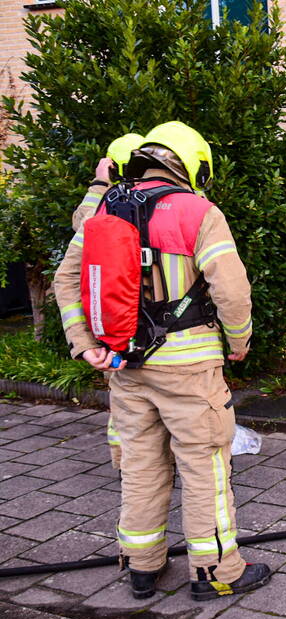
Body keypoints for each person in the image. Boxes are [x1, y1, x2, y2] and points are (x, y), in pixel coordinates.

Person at [53, 121, 269, 602]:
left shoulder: (106, 207)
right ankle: (216, 572)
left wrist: (84, 342)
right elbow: (232, 290)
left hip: (125, 365)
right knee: (205, 468)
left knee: (141, 467)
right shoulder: (198, 211)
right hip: (190, 371)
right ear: (193, 165)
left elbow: (65, 280)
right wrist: (239, 340)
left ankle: (142, 566)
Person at [65, 132, 145, 471]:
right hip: (154, 319)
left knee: (123, 401)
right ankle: (154, 465)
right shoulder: (161, 199)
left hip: (113, 319)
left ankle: (125, 464)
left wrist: (99, 183)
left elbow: (80, 224)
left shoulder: (105, 204)